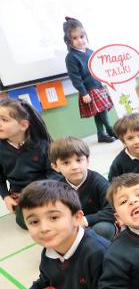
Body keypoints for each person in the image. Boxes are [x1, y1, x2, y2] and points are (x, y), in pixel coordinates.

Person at [0, 180, 114, 289]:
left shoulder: (97, 252)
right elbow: (45, 280)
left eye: (54, 217)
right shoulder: (50, 248)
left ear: (77, 218)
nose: (44, 228)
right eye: (34, 221)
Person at [0, 99, 57, 229]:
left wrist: (42, 192)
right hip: (20, 194)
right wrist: (6, 197)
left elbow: (54, 173)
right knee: (24, 222)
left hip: (46, 190)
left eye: (4, 120)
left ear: (23, 125)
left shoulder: (43, 145)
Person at [49, 137, 116, 241]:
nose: (74, 166)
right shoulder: (58, 187)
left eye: (79, 160)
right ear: (56, 167)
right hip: (74, 225)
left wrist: (85, 220)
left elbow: (113, 209)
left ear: (87, 160)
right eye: (66, 163)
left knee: (103, 229)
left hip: (97, 222)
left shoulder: (98, 181)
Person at [62, 17, 115, 143]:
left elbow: (99, 68)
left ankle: (101, 134)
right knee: (101, 110)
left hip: (98, 85)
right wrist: (83, 92)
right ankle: (109, 129)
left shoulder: (91, 52)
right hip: (89, 89)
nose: (80, 40)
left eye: (81, 36)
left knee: (100, 112)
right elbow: (75, 77)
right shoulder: (71, 57)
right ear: (68, 41)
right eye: (75, 38)